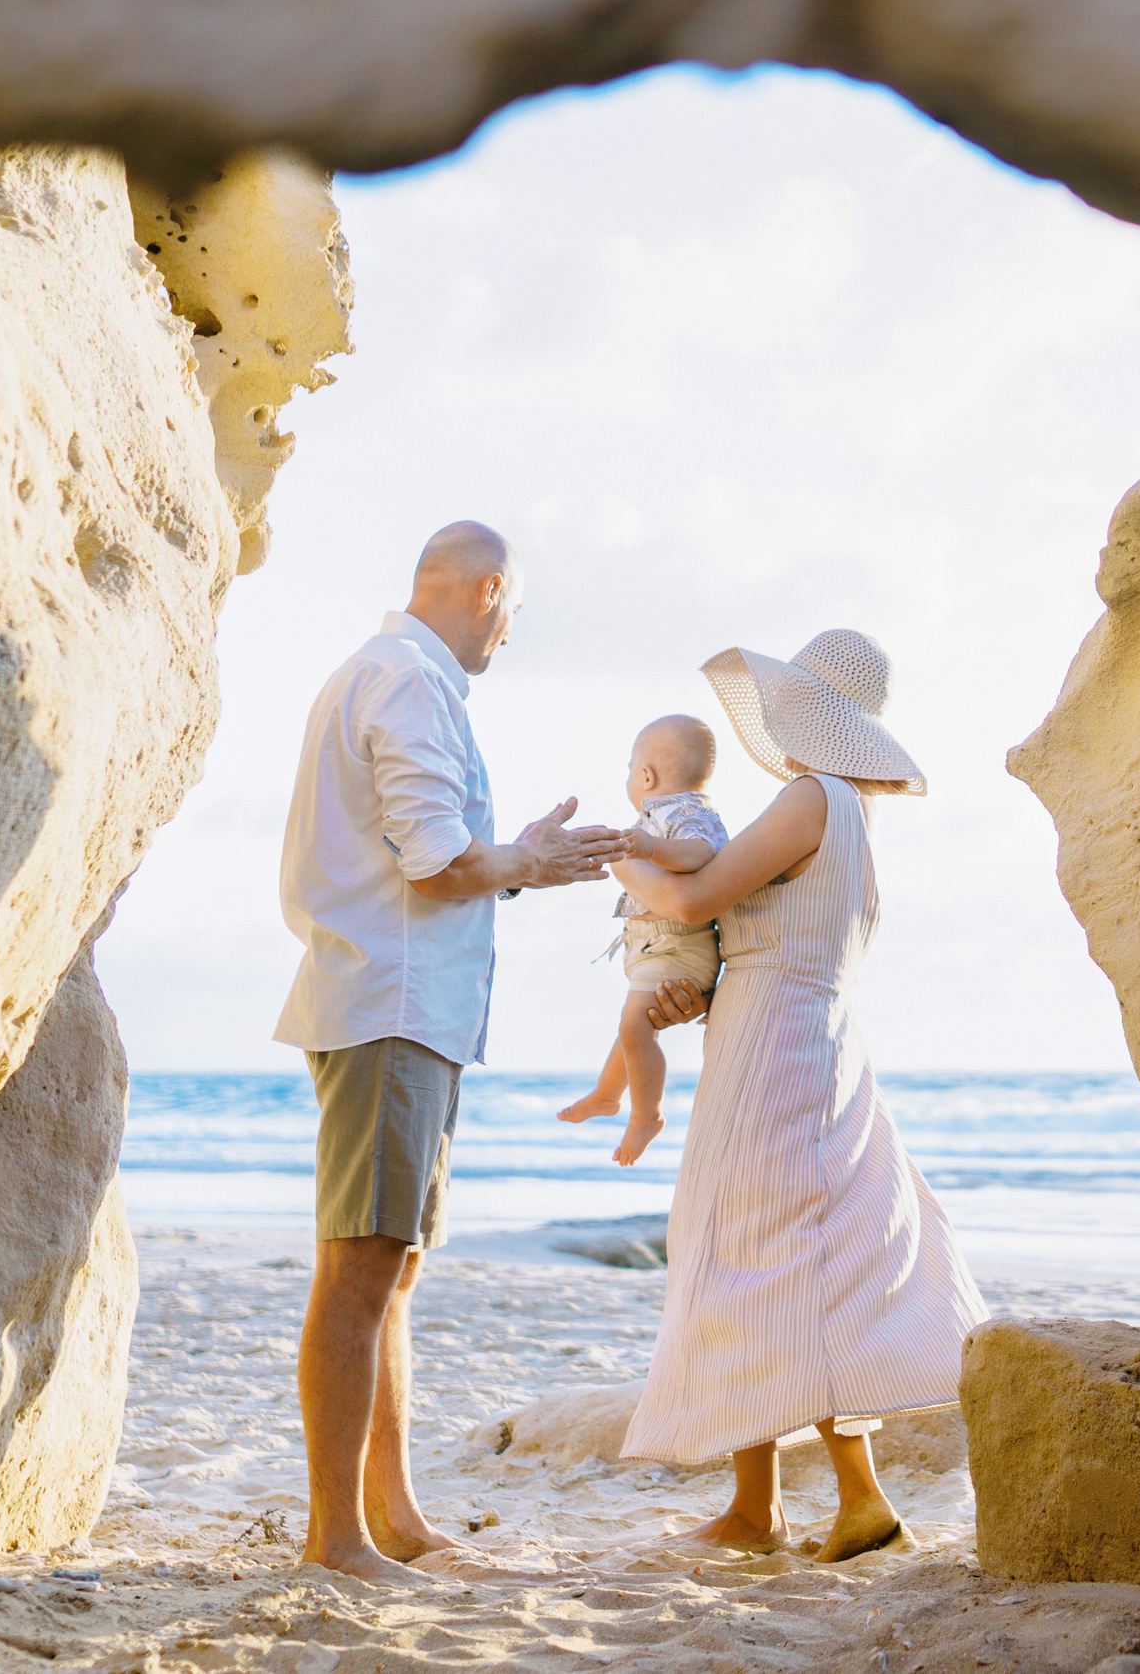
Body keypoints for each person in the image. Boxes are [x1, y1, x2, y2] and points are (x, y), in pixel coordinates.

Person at [269, 520, 693, 1583]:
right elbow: (433, 862)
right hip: (392, 1006)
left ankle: (393, 1516)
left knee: (390, 1272)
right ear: (489, 590)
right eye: (515, 610)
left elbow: (439, 858)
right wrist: (532, 861)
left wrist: (518, 859)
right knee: (362, 1271)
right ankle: (338, 1539)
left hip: (403, 1007)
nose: (511, 633)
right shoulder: (406, 681)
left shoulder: (394, 676)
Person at [612, 629, 988, 1562]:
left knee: (754, 1255)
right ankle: (828, 1499)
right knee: (796, 1258)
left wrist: (616, 858)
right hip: (815, 1041)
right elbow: (761, 934)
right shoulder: (854, 813)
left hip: (773, 1049)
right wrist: (697, 990)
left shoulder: (811, 797)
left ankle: (774, 1507)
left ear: (806, 717)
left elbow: (695, 905)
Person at [558, 715, 730, 1165]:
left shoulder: (686, 812)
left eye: (630, 767)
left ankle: (645, 1116)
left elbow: (700, 853)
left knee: (636, 1028)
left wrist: (647, 848)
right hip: (655, 942)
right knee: (633, 1028)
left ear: (646, 775)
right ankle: (606, 1095)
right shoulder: (661, 815)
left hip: (676, 942)